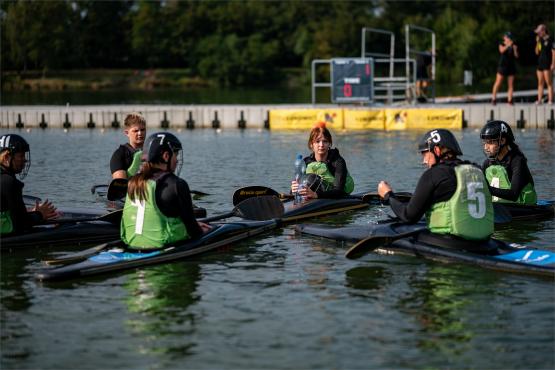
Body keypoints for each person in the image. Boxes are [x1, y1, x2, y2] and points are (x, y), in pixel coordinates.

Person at [377, 129, 494, 241]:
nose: (424, 161)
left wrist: (388, 195)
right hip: (485, 240)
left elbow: (408, 216)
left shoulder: (434, 174)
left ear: (437, 150)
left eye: (425, 154)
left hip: (452, 242)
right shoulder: (477, 169)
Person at [120, 132, 211, 249]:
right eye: (176, 155)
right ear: (166, 156)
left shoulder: (132, 182)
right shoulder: (176, 184)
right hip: (161, 249)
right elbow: (193, 230)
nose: (177, 160)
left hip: (131, 245)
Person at [0, 134, 58, 235]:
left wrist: (31, 211)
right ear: (6, 157)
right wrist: (40, 214)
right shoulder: (8, 182)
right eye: (21, 155)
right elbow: (22, 223)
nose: (25, 159)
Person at [290, 122, 354, 200]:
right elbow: (296, 187)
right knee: (307, 180)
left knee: (311, 178)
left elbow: (339, 190)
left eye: (325, 141)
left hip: (339, 194)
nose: (321, 145)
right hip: (314, 193)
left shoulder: (338, 161)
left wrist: (316, 195)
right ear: (311, 144)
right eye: (317, 141)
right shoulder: (306, 162)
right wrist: (293, 190)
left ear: (330, 144)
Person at [480, 120, 537, 205]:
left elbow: (513, 194)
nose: (486, 147)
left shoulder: (517, 161)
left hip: (523, 207)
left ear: (502, 141)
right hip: (499, 206)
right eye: (485, 142)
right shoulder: (487, 164)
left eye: (490, 142)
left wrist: (487, 189)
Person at [110, 112, 147, 179]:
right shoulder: (119, 155)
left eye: (142, 130)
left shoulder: (152, 151)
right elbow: (120, 184)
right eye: (135, 131)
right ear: (127, 133)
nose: (140, 133)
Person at [491, 32, 518, 105]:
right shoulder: (501, 44)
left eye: (510, 38)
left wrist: (515, 50)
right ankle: (494, 98)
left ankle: (510, 100)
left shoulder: (514, 45)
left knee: (511, 84)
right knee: (498, 82)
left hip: (511, 66)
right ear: (504, 38)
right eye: (508, 37)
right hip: (503, 66)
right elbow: (501, 51)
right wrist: (507, 46)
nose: (509, 39)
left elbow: (516, 56)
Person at [534, 24, 555, 104]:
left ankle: (550, 100)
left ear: (543, 31)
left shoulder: (550, 39)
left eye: (539, 32)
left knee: (548, 82)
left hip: (547, 63)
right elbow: (537, 52)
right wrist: (537, 42)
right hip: (540, 63)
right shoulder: (540, 40)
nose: (538, 34)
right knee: (540, 82)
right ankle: (539, 100)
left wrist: (553, 64)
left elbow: (554, 52)